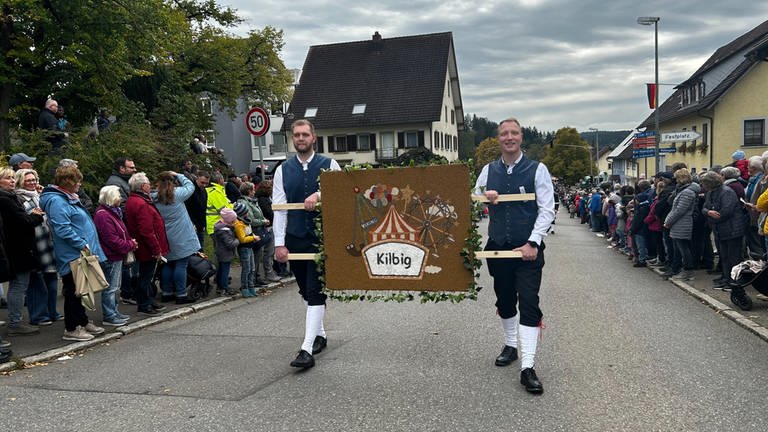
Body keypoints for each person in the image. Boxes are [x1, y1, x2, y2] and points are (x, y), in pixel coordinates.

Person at [473, 117, 555, 394]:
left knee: (529, 302)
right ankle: (511, 345)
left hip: (527, 250)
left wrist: (533, 242)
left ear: (521, 138)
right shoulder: (487, 170)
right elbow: (474, 195)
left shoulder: (537, 169)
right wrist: (486, 196)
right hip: (498, 246)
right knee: (505, 299)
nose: (509, 137)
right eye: (504, 134)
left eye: (514, 133)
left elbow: (547, 209)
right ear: (499, 139)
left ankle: (528, 366)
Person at [273, 119, 341, 370]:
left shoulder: (329, 165)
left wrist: (320, 194)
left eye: (305, 134)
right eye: (296, 135)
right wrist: (279, 244)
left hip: (321, 239)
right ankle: (320, 335)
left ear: (314, 138)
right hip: (294, 237)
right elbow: (279, 209)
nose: (300, 138)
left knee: (315, 291)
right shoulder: (282, 169)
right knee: (304, 290)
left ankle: (306, 349)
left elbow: (341, 194)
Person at [39, 165, 106, 341]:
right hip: (72, 254)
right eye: (77, 181)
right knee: (73, 290)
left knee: (81, 289)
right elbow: (63, 229)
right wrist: (82, 244)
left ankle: (82, 322)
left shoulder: (65, 197)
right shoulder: (57, 201)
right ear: (68, 182)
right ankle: (71, 328)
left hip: (78, 252)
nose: (79, 184)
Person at [0, 167, 45, 336]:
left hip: (17, 247)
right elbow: (22, 221)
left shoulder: (10, 197)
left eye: (12, 177)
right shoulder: (5, 200)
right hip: (16, 248)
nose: (12, 180)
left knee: (20, 285)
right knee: (19, 286)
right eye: (7, 178)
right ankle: (15, 322)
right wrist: (36, 215)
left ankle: (16, 320)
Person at [14, 168, 61, 326]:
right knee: (37, 283)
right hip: (34, 245)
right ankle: (39, 316)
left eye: (34, 179)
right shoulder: (18, 198)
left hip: (48, 242)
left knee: (52, 280)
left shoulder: (40, 195)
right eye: (28, 180)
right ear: (21, 181)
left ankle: (52, 311)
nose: (32, 183)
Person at [125, 172, 168, 316]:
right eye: (149, 183)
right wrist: (156, 250)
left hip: (143, 245)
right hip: (146, 247)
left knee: (146, 275)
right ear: (143, 186)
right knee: (146, 276)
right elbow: (146, 230)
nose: (150, 186)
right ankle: (144, 304)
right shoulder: (141, 203)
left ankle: (148, 300)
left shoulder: (135, 200)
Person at [153, 171, 200, 304]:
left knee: (168, 264)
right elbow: (190, 186)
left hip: (164, 235)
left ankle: (167, 292)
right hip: (181, 235)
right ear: (173, 182)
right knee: (181, 264)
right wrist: (178, 174)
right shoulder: (177, 194)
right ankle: (181, 294)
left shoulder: (154, 197)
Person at [93, 186, 136, 326]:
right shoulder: (104, 215)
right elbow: (110, 239)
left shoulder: (112, 212)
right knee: (110, 287)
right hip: (111, 255)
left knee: (115, 287)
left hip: (116, 254)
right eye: (118, 196)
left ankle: (114, 311)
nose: (121, 199)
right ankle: (109, 315)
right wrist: (129, 245)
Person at [663, 168, 700, 281]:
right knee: (680, 247)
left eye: (676, 178)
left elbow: (679, 210)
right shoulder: (682, 190)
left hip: (683, 223)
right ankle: (683, 269)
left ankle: (688, 271)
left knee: (684, 249)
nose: (675, 181)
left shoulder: (687, 192)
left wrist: (668, 221)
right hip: (678, 223)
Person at [232, 202, 258, 297]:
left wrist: (253, 236)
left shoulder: (246, 221)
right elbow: (242, 239)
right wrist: (253, 238)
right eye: (246, 212)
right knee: (246, 269)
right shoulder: (238, 224)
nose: (247, 213)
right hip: (244, 248)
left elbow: (249, 233)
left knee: (252, 268)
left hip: (250, 247)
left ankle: (251, 286)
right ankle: (244, 287)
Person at [213, 207, 241, 296]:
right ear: (228, 220)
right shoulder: (224, 230)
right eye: (233, 221)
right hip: (225, 254)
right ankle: (224, 287)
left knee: (221, 270)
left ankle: (220, 286)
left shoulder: (221, 227)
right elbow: (230, 243)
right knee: (224, 271)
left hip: (221, 253)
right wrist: (238, 240)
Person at [184, 170, 209, 250]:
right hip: (192, 224)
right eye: (202, 182)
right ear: (197, 178)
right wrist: (192, 223)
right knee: (193, 249)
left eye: (206, 183)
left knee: (201, 248)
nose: (204, 185)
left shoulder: (204, 191)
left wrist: (204, 224)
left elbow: (203, 208)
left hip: (201, 224)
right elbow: (187, 208)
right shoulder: (191, 190)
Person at [205, 171, 231, 237]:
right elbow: (223, 210)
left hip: (217, 224)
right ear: (219, 180)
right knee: (223, 246)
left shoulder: (215, 191)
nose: (224, 180)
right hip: (217, 225)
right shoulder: (215, 192)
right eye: (223, 178)